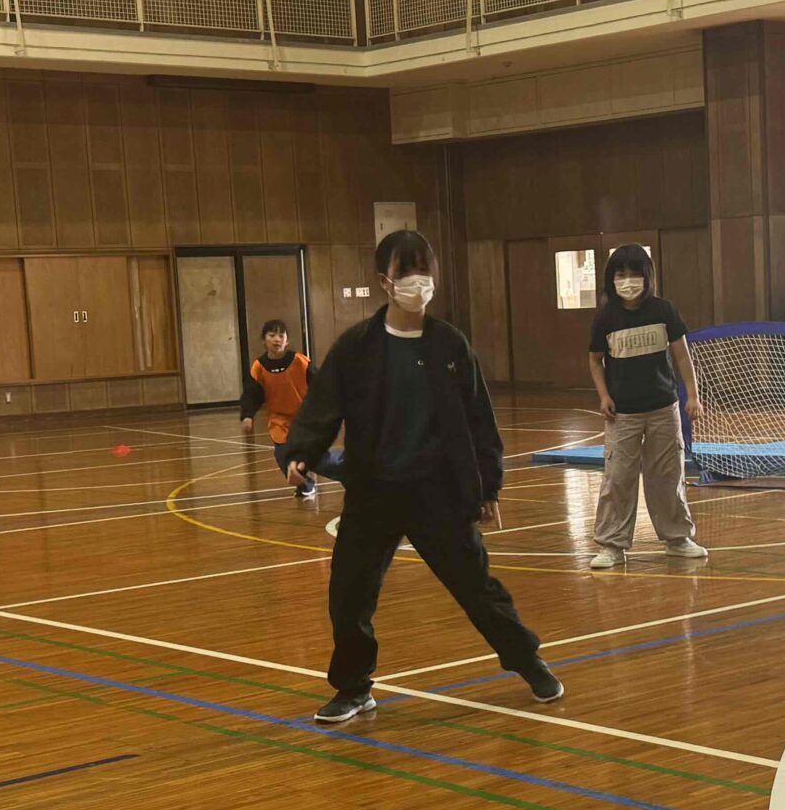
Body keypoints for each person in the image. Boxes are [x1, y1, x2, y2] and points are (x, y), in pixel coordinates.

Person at [281, 229, 563, 725]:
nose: (417, 282)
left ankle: (528, 661)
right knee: (348, 595)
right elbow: (324, 405)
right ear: (384, 281)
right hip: (373, 492)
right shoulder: (357, 347)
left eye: (424, 271)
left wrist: (488, 485)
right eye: (405, 272)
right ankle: (353, 688)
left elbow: (479, 419)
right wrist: (302, 453)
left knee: (477, 588)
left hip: (438, 493)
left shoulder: (450, 345)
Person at [586, 244, 707, 572]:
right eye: (620, 274)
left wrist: (692, 396)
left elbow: (682, 355)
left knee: (668, 475)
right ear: (611, 279)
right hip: (622, 414)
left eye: (634, 273)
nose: (628, 281)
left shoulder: (663, 311)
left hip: (663, 409)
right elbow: (595, 361)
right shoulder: (606, 318)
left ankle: (677, 539)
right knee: (618, 478)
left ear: (647, 276)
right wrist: (604, 396)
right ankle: (612, 545)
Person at [240, 318, 316, 500]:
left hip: (304, 417)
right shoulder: (259, 367)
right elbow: (251, 394)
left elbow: (321, 383)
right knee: (282, 454)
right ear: (263, 340)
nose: (277, 339)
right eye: (272, 335)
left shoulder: (300, 361)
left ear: (287, 341)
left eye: (281, 335)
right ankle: (305, 484)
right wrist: (247, 415)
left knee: (319, 458)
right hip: (279, 419)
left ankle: (353, 474)